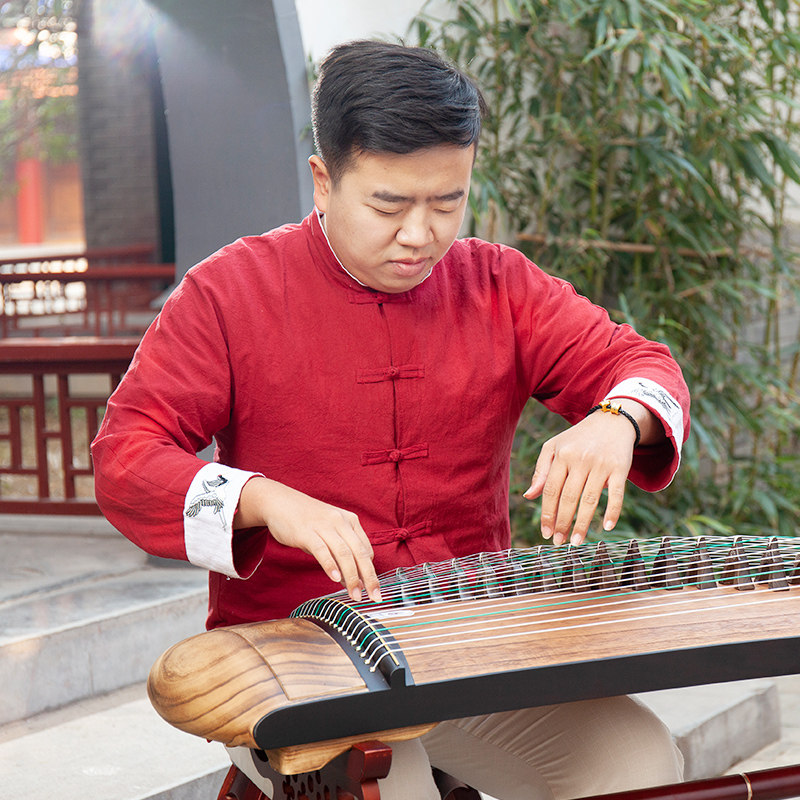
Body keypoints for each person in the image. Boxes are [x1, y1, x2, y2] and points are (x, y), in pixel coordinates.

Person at [92, 39, 690, 800]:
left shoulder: (498, 284)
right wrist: (262, 500)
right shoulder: (228, 293)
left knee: (638, 762)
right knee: (391, 783)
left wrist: (618, 418)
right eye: (389, 205)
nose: (420, 234)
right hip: (289, 657)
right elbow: (125, 457)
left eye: (447, 203)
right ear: (323, 181)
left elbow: (641, 363)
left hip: (462, 643)